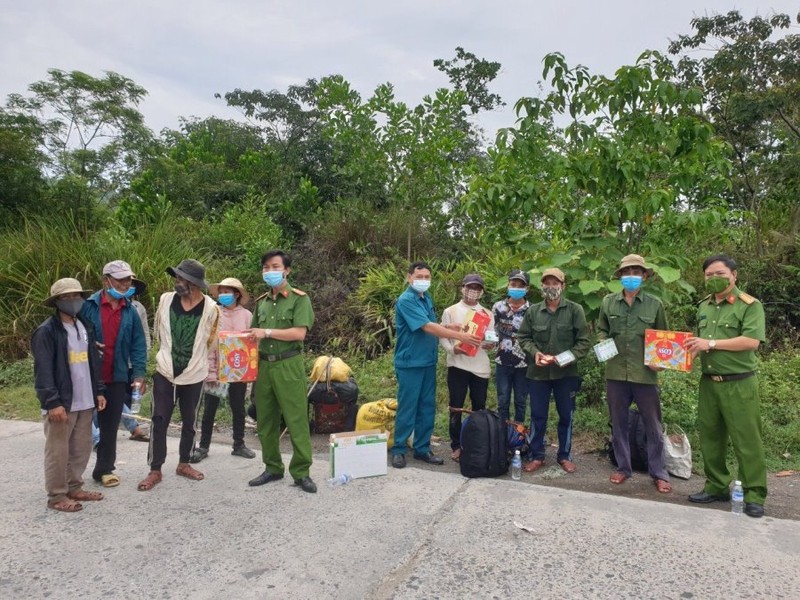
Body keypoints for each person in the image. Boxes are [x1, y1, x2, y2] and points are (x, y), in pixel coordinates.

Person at [685, 255, 767, 518]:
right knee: (711, 438)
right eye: (708, 275)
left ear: (734, 275)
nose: (714, 278)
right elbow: (697, 343)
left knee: (747, 440)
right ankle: (717, 486)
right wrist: (680, 356)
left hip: (739, 383)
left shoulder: (749, 305)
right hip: (709, 383)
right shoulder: (704, 306)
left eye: (719, 273)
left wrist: (710, 344)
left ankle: (754, 494)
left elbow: (751, 341)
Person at [137, 260, 220, 491]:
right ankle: (155, 469)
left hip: (194, 374)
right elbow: (160, 333)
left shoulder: (211, 309)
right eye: (177, 277)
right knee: (159, 420)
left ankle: (184, 463)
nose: (177, 282)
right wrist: (168, 357)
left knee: (190, 422)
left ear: (194, 284)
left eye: (182, 279)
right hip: (165, 371)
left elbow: (212, 343)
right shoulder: (165, 300)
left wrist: (196, 361)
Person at [391, 261, 482, 469]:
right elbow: (427, 327)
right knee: (408, 406)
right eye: (419, 276)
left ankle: (422, 449)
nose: (423, 280)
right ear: (409, 277)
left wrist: (450, 326)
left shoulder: (425, 297)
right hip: (410, 363)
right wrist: (460, 335)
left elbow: (433, 323)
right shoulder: (406, 300)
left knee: (426, 407)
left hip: (427, 362)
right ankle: (398, 449)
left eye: (426, 277)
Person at [597, 254, 671, 493]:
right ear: (620, 276)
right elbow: (601, 330)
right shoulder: (608, 302)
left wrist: (661, 361)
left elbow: (665, 339)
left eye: (636, 272)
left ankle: (659, 473)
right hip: (616, 373)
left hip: (645, 375)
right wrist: (602, 345)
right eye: (627, 272)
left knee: (653, 426)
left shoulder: (654, 304)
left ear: (644, 276)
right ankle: (623, 468)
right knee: (618, 424)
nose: (631, 277)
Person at [32, 278, 107, 512]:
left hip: (85, 399)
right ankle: (56, 496)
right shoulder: (46, 331)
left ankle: (75, 487)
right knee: (58, 451)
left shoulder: (84, 325)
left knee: (81, 448)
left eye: (77, 296)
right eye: (67, 297)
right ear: (57, 302)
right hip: (62, 402)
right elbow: (43, 370)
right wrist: (52, 402)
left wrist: (99, 391)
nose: (73, 301)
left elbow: (92, 362)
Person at [247, 250, 317, 493]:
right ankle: (272, 467)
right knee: (265, 420)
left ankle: (301, 472)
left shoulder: (299, 299)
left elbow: (299, 333)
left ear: (287, 270)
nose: (270, 272)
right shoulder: (260, 303)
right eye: (266, 268)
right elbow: (251, 336)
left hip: (289, 365)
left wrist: (266, 333)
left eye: (275, 267)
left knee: (296, 418)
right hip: (264, 366)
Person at [80, 260, 147, 488]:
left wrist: (138, 374)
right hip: (87, 376)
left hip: (117, 376)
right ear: (105, 280)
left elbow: (138, 344)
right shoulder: (87, 306)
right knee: (79, 426)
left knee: (109, 427)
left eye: (127, 279)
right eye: (120, 279)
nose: (125, 284)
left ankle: (104, 469)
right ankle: (70, 474)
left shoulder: (131, 310)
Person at [517, 267, 590, 473]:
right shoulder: (533, 312)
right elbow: (523, 338)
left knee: (566, 416)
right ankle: (536, 455)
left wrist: (563, 359)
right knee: (537, 415)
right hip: (537, 374)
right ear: (542, 287)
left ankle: (564, 455)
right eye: (547, 283)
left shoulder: (575, 310)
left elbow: (583, 342)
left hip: (566, 374)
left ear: (562, 286)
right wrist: (535, 353)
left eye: (555, 283)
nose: (551, 287)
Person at [191, 277, 256, 463]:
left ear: (237, 294)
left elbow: (251, 345)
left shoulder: (247, 316)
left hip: (238, 371)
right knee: (209, 409)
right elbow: (209, 344)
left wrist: (249, 372)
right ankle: (203, 446)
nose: (223, 295)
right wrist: (210, 372)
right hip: (216, 371)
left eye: (227, 291)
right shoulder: (213, 313)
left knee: (238, 408)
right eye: (221, 292)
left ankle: (239, 445)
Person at [441, 274, 495, 462]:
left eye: (477, 288)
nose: (473, 291)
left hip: (480, 367)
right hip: (457, 365)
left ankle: (474, 442)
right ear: (462, 288)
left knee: (478, 408)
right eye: (470, 287)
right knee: (456, 407)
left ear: (481, 292)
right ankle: (456, 445)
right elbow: (443, 335)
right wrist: (452, 349)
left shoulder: (487, 314)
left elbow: (491, 337)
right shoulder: (451, 311)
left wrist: (490, 344)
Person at [91, 276, 150, 448]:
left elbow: (141, 337)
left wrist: (141, 362)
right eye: (122, 283)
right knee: (89, 403)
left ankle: (130, 427)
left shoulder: (135, 309)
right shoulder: (92, 307)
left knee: (119, 401)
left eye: (129, 284)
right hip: (101, 365)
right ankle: (97, 438)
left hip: (126, 365)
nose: (126, 287)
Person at [492, 269, 532, 425]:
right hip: (502, 360)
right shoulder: (498, 307)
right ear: (508, 285)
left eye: (520, 285)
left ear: (527, 288)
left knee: (521, 401)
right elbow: (492, 330)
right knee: (503, 400)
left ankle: (518, 437)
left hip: (523, 362)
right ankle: (502, 436)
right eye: (513, 284)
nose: (516, 288)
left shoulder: (531, 310)